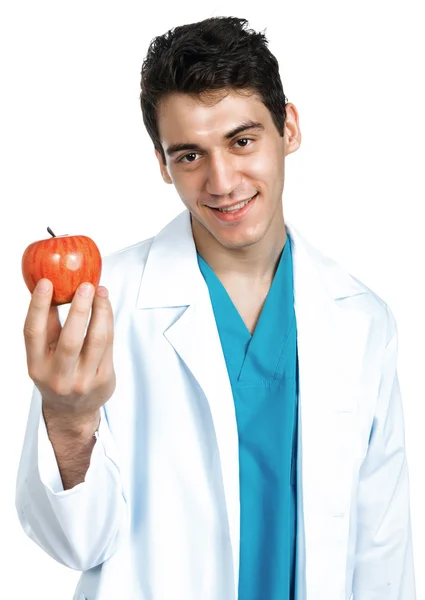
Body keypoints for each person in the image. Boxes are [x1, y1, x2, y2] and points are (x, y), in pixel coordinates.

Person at [16, 16, 415, 600]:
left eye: (242, 140)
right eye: (189, 156)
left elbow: (384, 551)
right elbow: (75, 545)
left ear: (291, 128)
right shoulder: (103, 305)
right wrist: (70, 420)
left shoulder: (361, 320)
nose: (223, 181)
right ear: (162, 164)